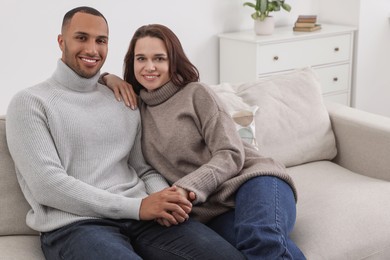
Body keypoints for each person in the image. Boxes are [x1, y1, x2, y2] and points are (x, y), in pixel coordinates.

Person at [6, 7, 246, 260]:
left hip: (143, 217)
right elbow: (48, 185)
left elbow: (143, 168)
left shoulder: (123, 98)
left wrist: (166, 199)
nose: (92, 49)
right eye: (81, 37)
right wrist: (139, 207)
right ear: (61, 41)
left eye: (101, 41)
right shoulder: (30, 102)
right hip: (77, 226)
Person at [102, 24, 306, 259]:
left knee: (260, 237)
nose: (149, 67)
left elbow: (230, 152)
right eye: (141, 59)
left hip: (254, 180)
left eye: (159, 58)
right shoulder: (135, 109)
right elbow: (83, 81)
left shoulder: (195, 93)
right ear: (132, 63)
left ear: (173, 61)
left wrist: (187, 187)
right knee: (252, 251)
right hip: (212, 210)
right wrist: (108, 78)